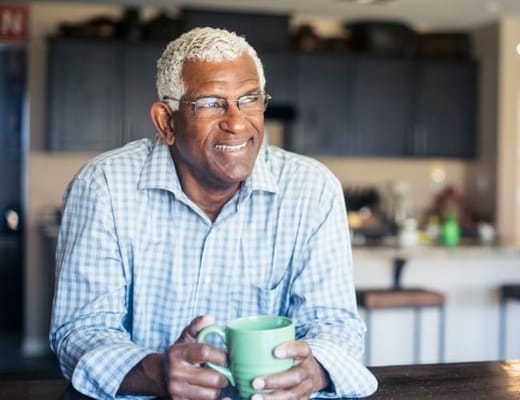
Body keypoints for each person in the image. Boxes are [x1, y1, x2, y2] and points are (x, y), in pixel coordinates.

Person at [50, 27, 378, 400]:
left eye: (249, 99)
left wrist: (315, 370)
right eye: (210, 102)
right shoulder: (104, 187)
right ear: (167, 122)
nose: (237, 122)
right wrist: (155, 373)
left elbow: (335, 325)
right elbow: (80, 331)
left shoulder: (313, 190)